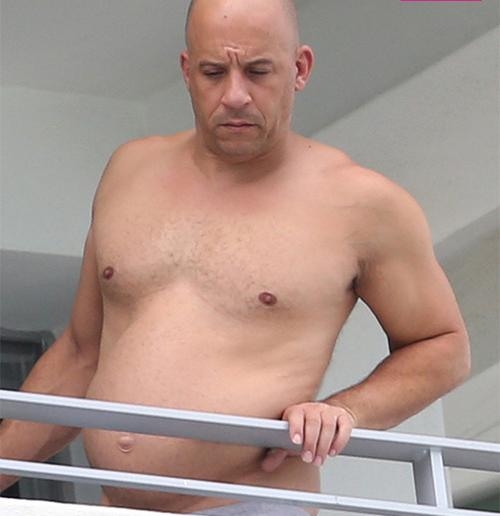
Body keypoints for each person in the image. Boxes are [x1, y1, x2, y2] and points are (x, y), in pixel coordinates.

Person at [0, 0, 470, 514]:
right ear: (187, 71)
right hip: (114, 504)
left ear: (300, 69)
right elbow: (79, 353)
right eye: (213, 72)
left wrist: (347, 411)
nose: (235, 95)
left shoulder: (363, 204)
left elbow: (443, 346)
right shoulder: (129, 170)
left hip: (250, 502)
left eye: (258, 71)